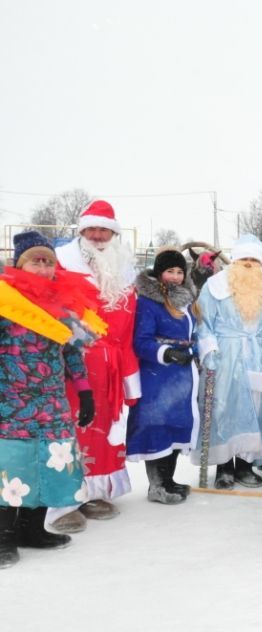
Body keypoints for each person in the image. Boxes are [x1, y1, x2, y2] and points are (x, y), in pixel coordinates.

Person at [0, 231, 100, 568]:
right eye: (35, 260)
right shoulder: (5, 300)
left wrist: (84, 391)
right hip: (10, 403)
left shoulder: (62, 304)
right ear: (19, 264)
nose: (42, 267)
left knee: (50, 464)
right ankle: (3, 537)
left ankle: (32, 530)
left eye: (48, 261)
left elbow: (72, 351)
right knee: (12, 468)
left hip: (53, 402)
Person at [52, 200, 140, 530]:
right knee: (71, 429)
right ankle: (64, 499)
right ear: (82, 231)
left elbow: (128, 329)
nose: (98, 235)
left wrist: (130, 375)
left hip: (113, 367)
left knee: (104, 432)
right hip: (72, 364)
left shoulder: (125, 270)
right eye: (92, 229)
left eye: (104, 229)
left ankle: (95, 493)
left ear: (113, 233)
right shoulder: (63, 265)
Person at [193, 234, 262, 490]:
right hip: (226, 357)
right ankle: (224, 467)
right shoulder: (214, 286)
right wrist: (209, 350)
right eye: (243, 258)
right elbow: (203, 323)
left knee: (256, 409)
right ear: (234, 260)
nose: (248, 264)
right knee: (224, 408)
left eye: (253, 260)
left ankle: (245, 465)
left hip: (260, 357)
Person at [128, 249, 200, 505]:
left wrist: (199, 354)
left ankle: (168, 480)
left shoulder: (185, 300)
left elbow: (194, 333)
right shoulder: (148, 302)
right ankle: (156, 486)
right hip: (158, 376)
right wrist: (166, 353)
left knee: (175, 427)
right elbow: (140, 341)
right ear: (160, 273)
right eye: (170, 271)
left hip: (182, 375)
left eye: (180, 272)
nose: (176, 276)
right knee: (158, 425)